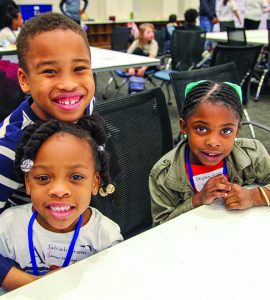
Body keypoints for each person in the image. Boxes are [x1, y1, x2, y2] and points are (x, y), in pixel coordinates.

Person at [0, 12, 96, 290]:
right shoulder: (9, 149)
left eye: (79, 69)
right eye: (50, 71)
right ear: (25, 79)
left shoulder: (81, 107)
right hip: (27, 263)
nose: (68, 84)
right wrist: (35, 285)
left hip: (77, 240)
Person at [0, 115, 123, 292]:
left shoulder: (105, 237)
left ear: (95, 183)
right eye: (43, 178)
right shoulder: (7, 227)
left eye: (76, 177)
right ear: (28, 182)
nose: (59, 190)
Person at [149, 80, 270, 226]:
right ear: (184, 126)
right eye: (201, 129)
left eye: (226, 131)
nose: (213, 142)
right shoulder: (163, 174)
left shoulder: (252, 153)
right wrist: (197, 200)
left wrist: (254, 196)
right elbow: (160, 226)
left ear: (237, 132)